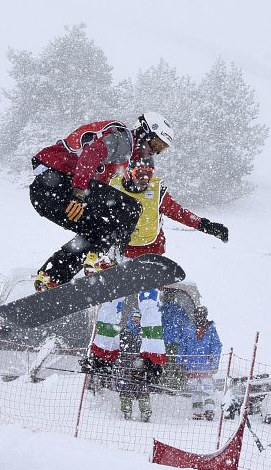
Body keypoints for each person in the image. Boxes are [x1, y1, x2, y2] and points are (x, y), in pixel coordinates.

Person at [80, 157, 229, 374]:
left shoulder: (157, 192)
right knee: (111, 305)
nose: (144, 179)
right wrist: (92, 255)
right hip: (120, 254)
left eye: (149, 173)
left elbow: (181, 214)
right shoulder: (114, 188)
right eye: (140, 173)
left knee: (149, 306)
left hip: (148, 257)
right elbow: (96, 221)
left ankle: (152, 361)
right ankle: (102, 357)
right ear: (129, 172)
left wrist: (207, 226)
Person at [29, 113, 184, 292]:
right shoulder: (124, 140)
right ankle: (108, 259)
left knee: (98, 231)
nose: (155, 151)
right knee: (131, 208)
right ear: (143, 132)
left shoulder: (123, 159)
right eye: (156, 144)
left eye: (161, 149)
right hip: (58, 182)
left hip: (44, 196)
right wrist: (79, 193)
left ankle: (52, 276)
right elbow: (91, 153)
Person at [178, 305, 223, 421]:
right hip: (191, 366)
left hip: (205, 366)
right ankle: (197, 411)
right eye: (198, 315)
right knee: (194, 390)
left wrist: (214, 364)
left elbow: (216, 347)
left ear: (205, 315)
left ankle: (209, 410)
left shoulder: (211, 330)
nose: (200, 317)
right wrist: (181, 361)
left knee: (207, 388)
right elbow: (182, 345)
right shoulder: (189, 329)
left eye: (202, 315)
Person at [114, 309, 158, 422]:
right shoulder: (124, 331)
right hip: (126, 363)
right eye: (134, 317)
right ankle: (126, 410)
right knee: (126, 386)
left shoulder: (143, 332)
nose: (136, 320)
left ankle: (145, 412)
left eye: (138, 318)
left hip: (140, 364)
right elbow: (119, 345)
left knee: (142, 387)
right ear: (130, 318)